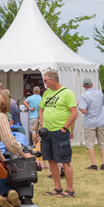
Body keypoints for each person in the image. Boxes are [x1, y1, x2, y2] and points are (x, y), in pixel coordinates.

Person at [39, 70, 78, 198]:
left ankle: (70, 190)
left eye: (45, 80)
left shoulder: (67, 93)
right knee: (51, 160)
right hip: (47, 132)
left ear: (53, 80)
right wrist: (42, 123)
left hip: (60, 132)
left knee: (65, 160)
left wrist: (65, 128)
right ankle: (57, 187)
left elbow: (74, 113)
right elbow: (41, 109)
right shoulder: (47, 93)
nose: (44, 83)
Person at [78, 78, 104, 170]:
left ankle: (94, 164)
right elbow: (103, 104)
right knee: (102, 143)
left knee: (90, 144)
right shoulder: (100, 93)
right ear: (92, 84)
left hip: (90, 122)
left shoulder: (84, 96)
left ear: (83, 86)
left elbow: (83, 110)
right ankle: (103, 164)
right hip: (100, 121)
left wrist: (79, 105)